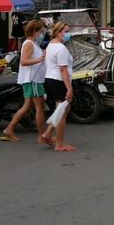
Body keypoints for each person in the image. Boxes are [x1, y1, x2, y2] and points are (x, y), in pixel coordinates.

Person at [0, 20, 47, 143]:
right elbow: (24, 61)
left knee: (27, 107)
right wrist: (39, 59)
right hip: (33, 80)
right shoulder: (29, 44)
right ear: (34, 31)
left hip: (34, 79)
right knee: (39, 108)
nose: (42, 33)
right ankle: (42, 135)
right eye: (41, 31)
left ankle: (9, 129)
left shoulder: (33, 43)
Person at [40, 22, 76, 152]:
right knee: (62, 113)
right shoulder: (60, 48)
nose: (68, 34)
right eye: (66, 31)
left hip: (50, 79)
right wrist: (69, 89)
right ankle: (59, 144)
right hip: (59, 81)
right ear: (58, 32)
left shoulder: (51, 45)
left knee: (61, 110)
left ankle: (47, 134)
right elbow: (63, 70)